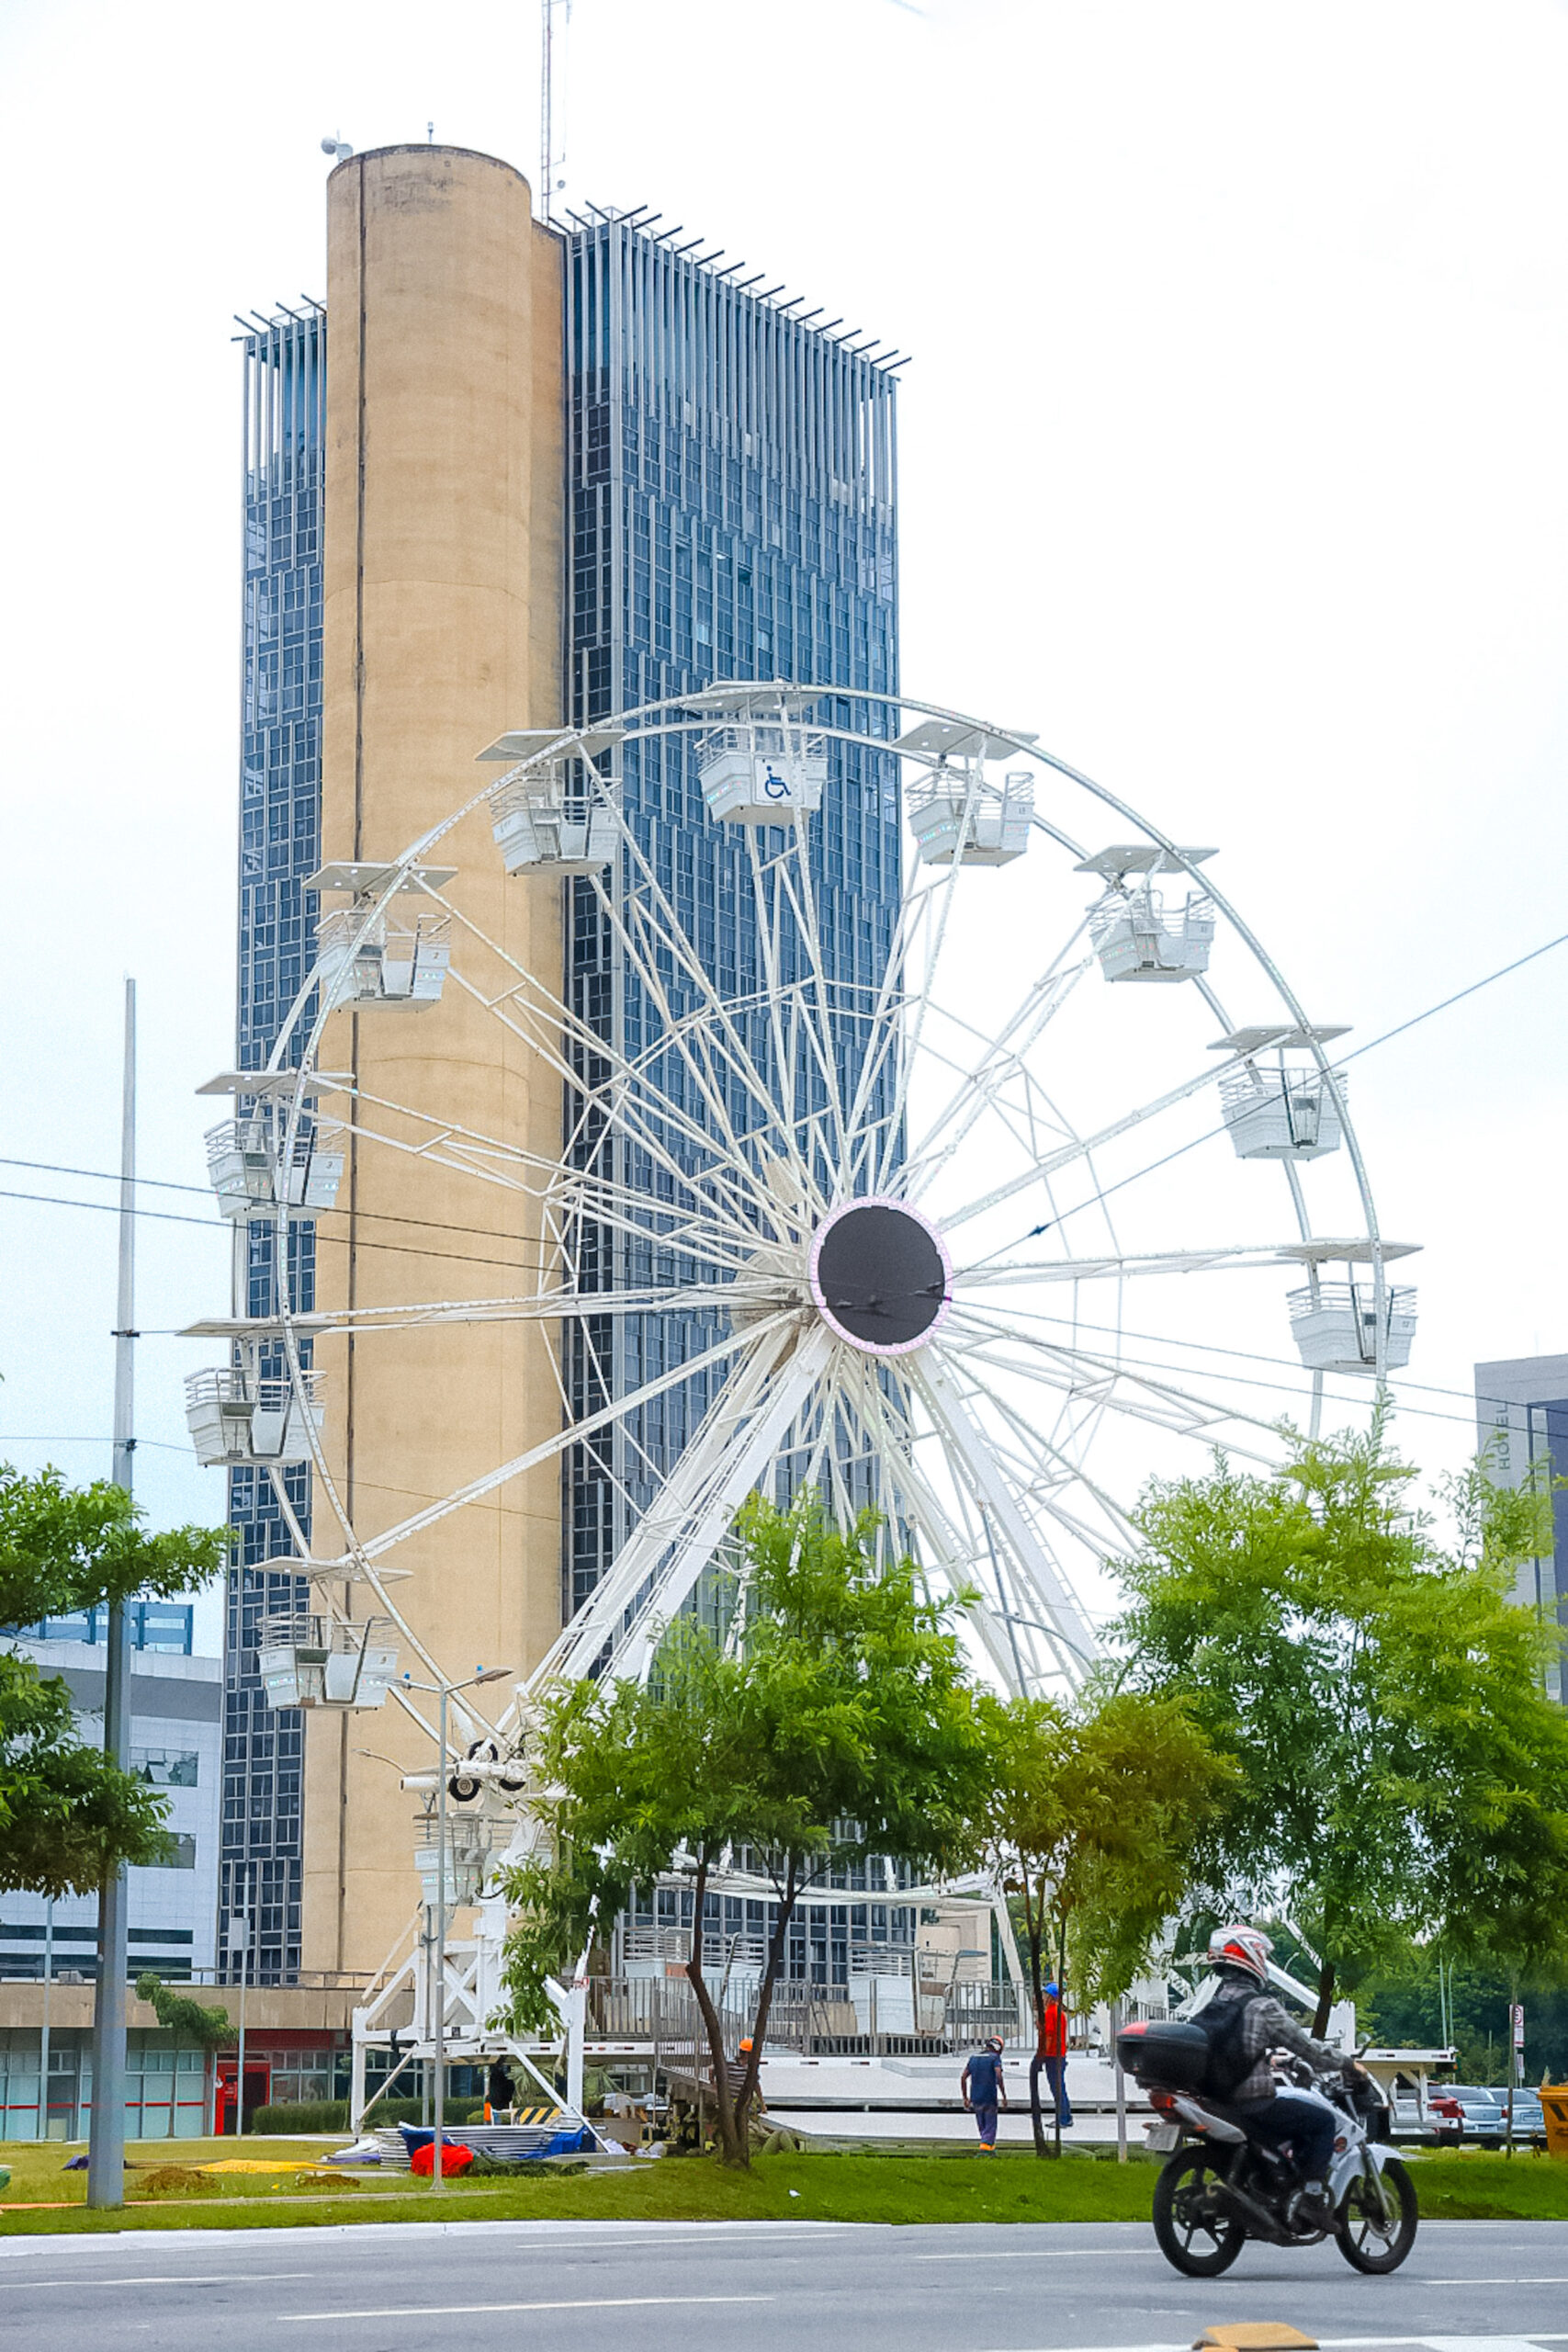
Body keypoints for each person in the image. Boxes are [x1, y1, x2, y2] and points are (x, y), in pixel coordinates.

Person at [1199, 1924, 1356, 2229]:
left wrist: (1270, 2058)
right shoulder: (1261, 2007)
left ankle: (1270, 2187)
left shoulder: (1214, 2006)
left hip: (1216, 2101)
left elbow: (1233, 2051)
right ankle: (1311, 2200)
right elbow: (1309, 2050)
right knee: (1322, 2122)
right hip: (1252, 2103)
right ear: (1252, 1958)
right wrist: (1347, 2063)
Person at [961, 2035, 1008, 2151]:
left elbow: (963, 2077)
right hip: (989, 2095)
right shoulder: (994, 2058)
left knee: (982, 2124)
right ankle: (986, 2150)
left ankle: (988, 2147)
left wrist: (965, 2097)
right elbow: (998, 2076)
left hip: (975, 2096)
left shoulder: (973, 2058)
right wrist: (1004, 2095)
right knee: (990, 2125)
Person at [1038, 1981, 1073, 2128]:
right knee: (1060, 2087)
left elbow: (1050, 2036)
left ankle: (1063, 2119)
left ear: (1051, 1997)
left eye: (1045, 1994)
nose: (1043, 1997)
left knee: (1057, 2088)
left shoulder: (1051, 2012)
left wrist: (1042, 2054)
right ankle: (1066, 2116)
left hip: (1053, 2055)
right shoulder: (1059, 2012)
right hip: (1059, 2055)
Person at [484, 2056, 514, 2123]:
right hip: (495, 2078)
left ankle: (504, 2057)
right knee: (494, 2063)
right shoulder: (491, 2100)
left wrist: (509, 2081)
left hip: (502, 2078)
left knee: (505, 2062)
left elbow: (511, 2087)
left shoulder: (507, 2099)